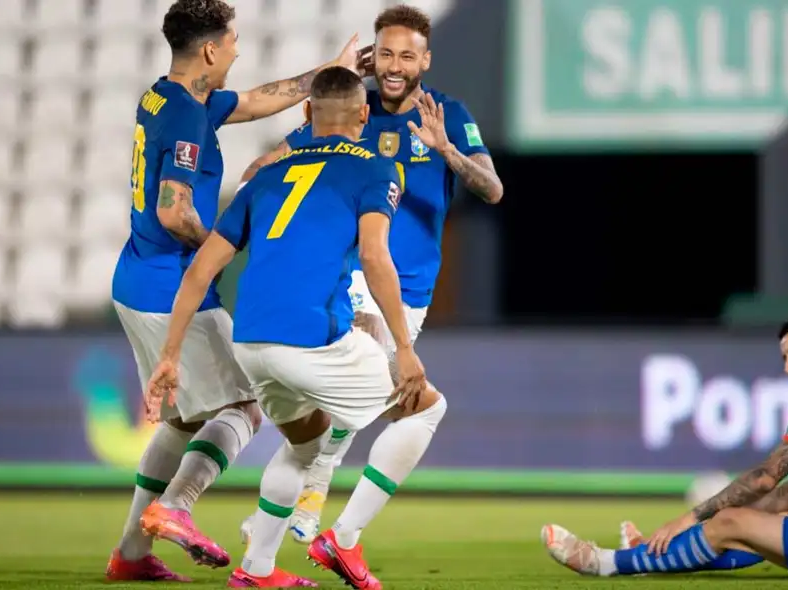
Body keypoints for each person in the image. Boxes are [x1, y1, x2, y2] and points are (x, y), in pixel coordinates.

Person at [143, 66, 448, 590]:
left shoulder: (265, 175)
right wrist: (403, 346)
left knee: (306, 443)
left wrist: (169, 356)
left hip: (252, 342)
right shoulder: (377, 170)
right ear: (364, 115)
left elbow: (200, 270)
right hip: (311, 338)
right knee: (427, 407)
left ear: (307, 114)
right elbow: (375, 257)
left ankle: (256, 569)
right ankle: (344, 539)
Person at [106, 0, 368, 581]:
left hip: (137, 277)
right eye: (231, 42)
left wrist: (334, 68)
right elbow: (174, 211)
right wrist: (223, 242)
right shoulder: (184, 118)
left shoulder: (169, 97)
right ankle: (175, 507)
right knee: (245, 404)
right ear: (208, 50)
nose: (237, 50)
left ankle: (128, 556)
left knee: (180, 420)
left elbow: (256, 100)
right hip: (169, 286)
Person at [238, 3, 503, 546]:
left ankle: (281, 516)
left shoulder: (447, 114)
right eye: (385, 53)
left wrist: (447, 150)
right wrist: (313, 107)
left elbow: (492, 189)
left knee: (347, 404)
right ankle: (306, 510)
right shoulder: (348, 111)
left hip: (412, 288)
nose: (394, 64)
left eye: (407, 54)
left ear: (425, 60)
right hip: (350, 274)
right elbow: (262, 172)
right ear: (372, 57)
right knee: (352, 387)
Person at [543, 312, 788, 581]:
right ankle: (655, 557)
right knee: (787, 515)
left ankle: (605, 563)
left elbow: (766, 478)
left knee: (730, 522)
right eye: (784, 357)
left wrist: (689, 519)